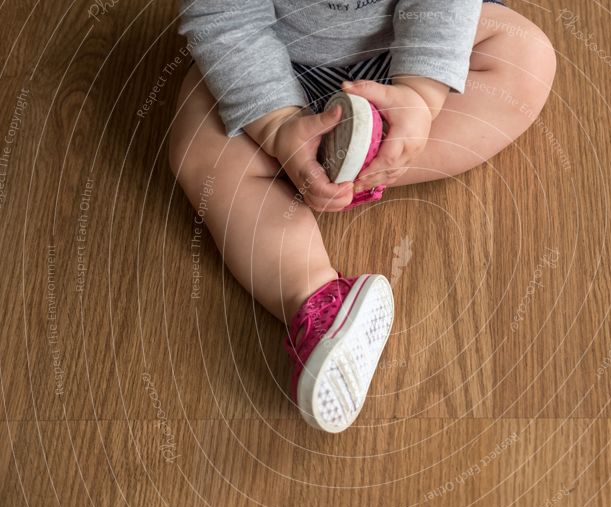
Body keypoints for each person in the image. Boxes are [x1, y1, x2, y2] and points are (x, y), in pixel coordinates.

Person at [169, 0, 556, 432]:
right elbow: (225, 19)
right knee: (201, 153)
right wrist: (275, 124)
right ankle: (314, 300)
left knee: (524, 60)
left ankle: (365, 160)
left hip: (406, 46)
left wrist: (421, 97)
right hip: (273, 62)